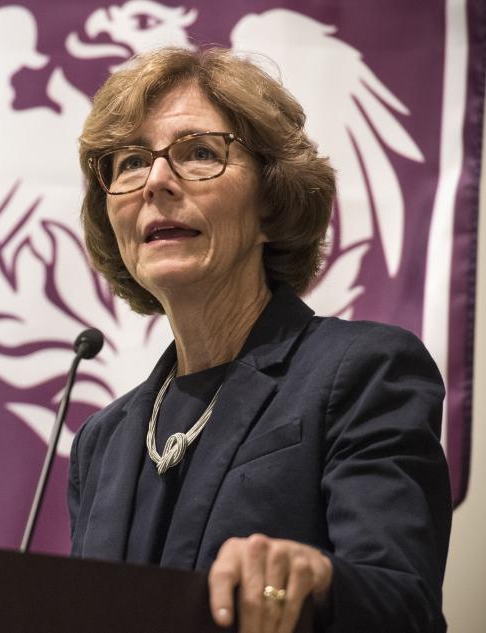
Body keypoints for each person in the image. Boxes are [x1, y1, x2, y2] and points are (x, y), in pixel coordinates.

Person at [68, 47, 451, 633]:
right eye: (129, 163)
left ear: (272, 201)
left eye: (199, 153)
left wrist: (317, 580)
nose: (157, 182)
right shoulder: (102, 440)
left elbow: (403, 603)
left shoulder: (363, 371)